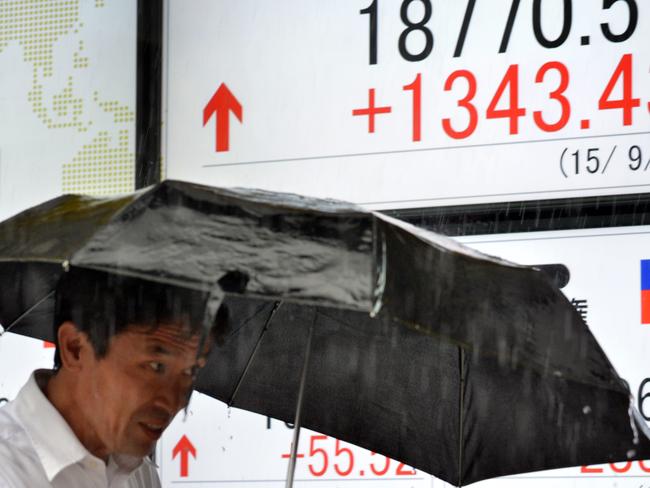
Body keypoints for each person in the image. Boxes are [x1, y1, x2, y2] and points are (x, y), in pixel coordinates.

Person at [0, 268, 227, 487]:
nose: (174, 400)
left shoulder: (139, 472)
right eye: (156, 366)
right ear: (75, 348)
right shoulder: (7, 470)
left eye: (190, 371)